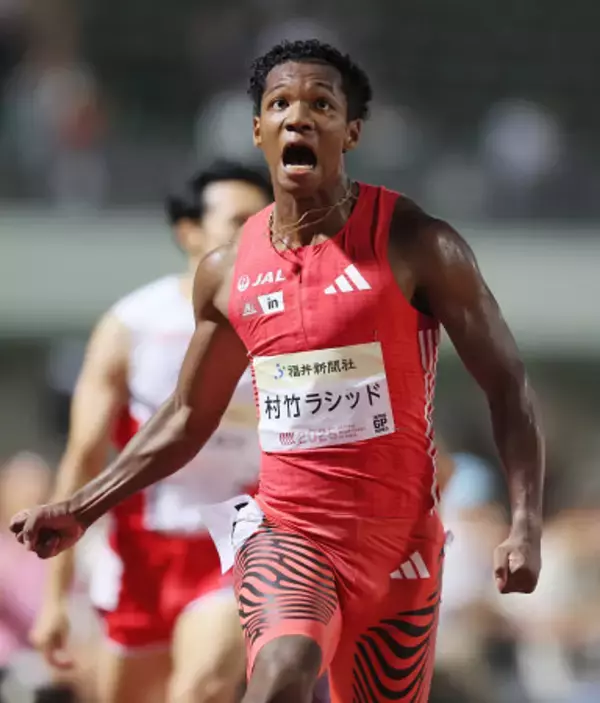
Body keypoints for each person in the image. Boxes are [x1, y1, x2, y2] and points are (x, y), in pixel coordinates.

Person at [12, 40, 545, 703]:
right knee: (281, 672)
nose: (299, 117)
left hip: (399, 547)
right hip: (288, 533)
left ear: (351, 131)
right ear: (258, 130)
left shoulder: (418, 244)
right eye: (280, 104)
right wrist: (81, 507)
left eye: (322, 104)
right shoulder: (229, 271)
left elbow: (508, 386)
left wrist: (526, 522)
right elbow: (188, 414)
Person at [28, 160, 272, 703]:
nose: (255, 235)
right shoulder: (132, 326)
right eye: (238, 222)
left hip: (240, 543)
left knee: (201, 688)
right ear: (189, 232)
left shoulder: (285, 322)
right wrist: (55, 598)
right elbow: (83, 458)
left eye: (264, 222)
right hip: (142, 558)